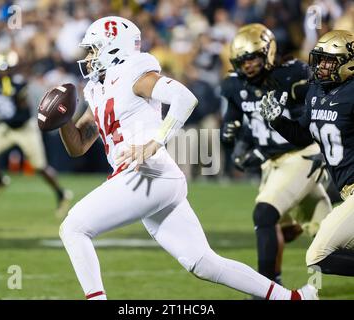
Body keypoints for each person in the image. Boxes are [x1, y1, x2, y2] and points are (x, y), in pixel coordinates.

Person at [57, 16, 317, 300]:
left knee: (73, 227)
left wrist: (156, 140)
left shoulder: (135, 72)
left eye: (94, 49)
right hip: (146, 179)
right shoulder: (98, 88)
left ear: (113, 48)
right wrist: (60, 120)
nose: (89, 57)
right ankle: (293, 298)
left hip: (148, 174)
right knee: (203, 262)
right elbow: (78, 146)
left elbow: (184, 98)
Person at [220, 24, 332, 285]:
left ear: (268, 53)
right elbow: (234, 117)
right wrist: (230, 133)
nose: (247, 66)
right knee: (325, 233)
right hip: (274, 164)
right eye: (242, 61)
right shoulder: (234, 85)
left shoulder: (292, 75)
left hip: (302, 155)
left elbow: (315, 113)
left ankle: (267, 287)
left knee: (264, 215)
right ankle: (275, 281)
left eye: (253, 58)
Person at [261, 29, 354, 276]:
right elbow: (304, 135)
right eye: (320, 59)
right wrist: (278, 121)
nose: (321, 66)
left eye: (329, 61)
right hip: (347, 191)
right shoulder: (316, 91)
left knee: (318, 256)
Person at [0, 53, 73, 218]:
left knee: (40, 167)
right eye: (1, 69)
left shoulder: (18, 83)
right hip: (6, 127)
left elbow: (22, 110)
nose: (3, 72)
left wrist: (5, 108)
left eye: (6, 69)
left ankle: (61, 193)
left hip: (24, 128)